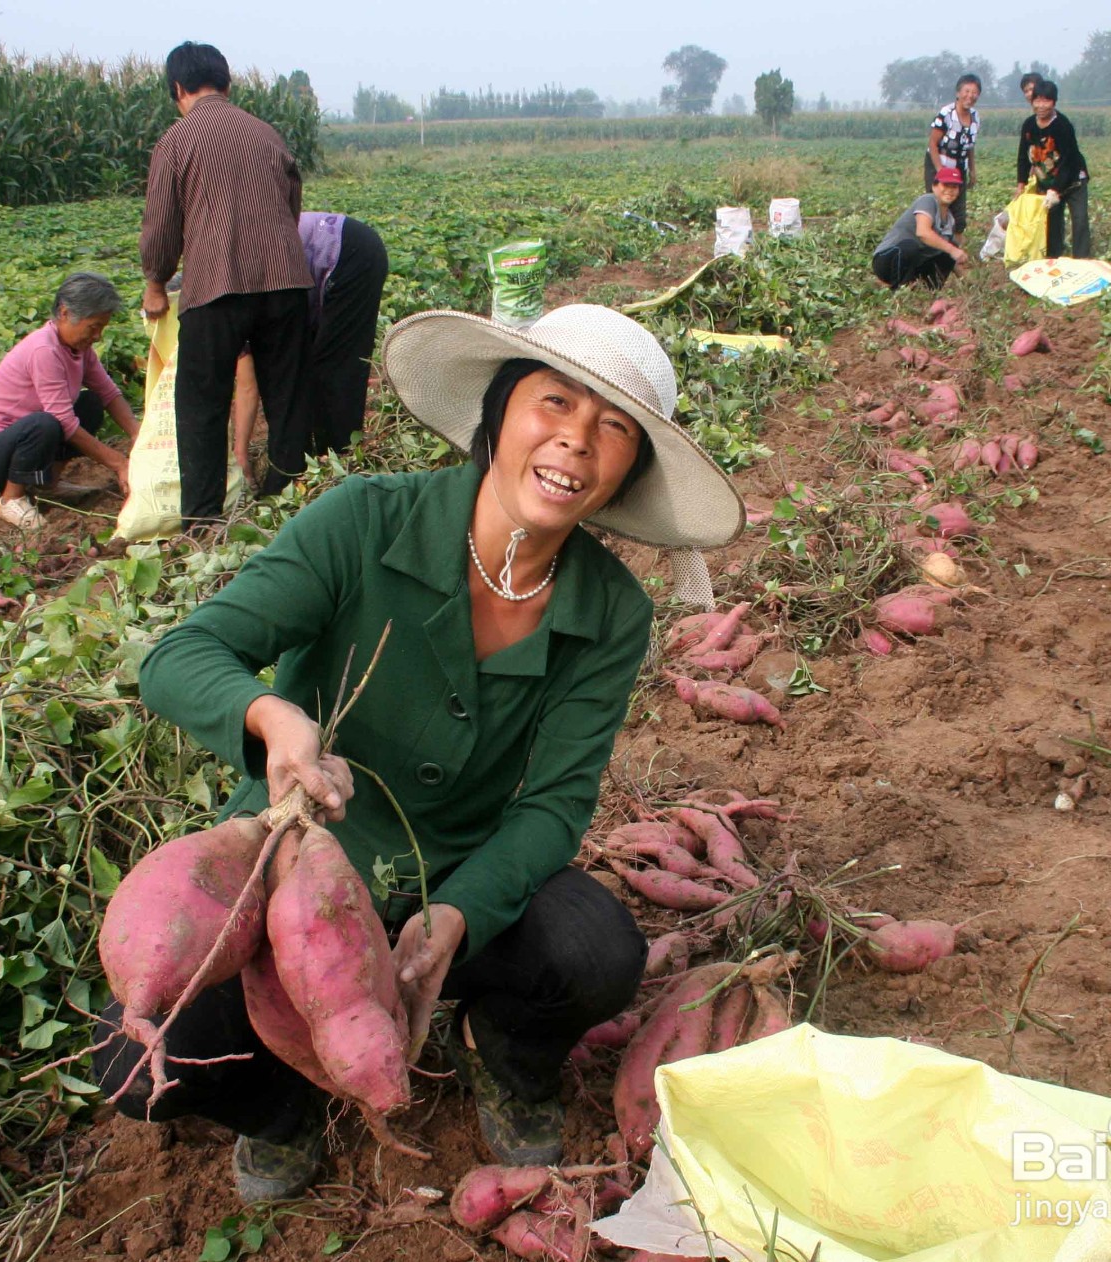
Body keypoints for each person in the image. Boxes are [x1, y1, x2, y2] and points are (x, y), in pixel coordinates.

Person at [93, 304, 744, 1202]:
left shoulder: (610, 611)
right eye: (553, 404)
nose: (576, 443)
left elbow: (554, 805)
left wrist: (458, 918)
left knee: (596, 954)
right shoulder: (363, 523)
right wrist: (272, 718)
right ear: (500, 411)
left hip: (460, 875)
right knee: (135, 1063)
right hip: (293, 874)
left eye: (614, 429)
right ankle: (282, 1113)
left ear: (630, 470)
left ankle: (501, 1052)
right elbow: (179, 658)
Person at [139, 41, 314, 526]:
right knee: (288, 395)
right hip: (285, 283)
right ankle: (286, 502)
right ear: (227, 84)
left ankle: (202, 520)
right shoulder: (266, 134)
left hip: (216, 288)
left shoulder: (177, 141)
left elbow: (161, 226)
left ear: (178, 88)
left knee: (202, 402)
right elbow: (291, 204)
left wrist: (155, 283)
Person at [0, 272, 137, 529]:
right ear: (64, 313)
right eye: (94, 326)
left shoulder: (80, 349)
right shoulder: (44, 349)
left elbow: (108, 392)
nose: (98, 335)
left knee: (91, 405)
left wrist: (137, 434)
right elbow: (63, 421)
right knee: (45, 422)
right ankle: (11, 499)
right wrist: (119, 463)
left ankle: (48, 484)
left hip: (22, 445)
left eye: (103, 327)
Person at [230, 212, 390, 482]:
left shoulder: (231, 301)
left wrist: (240, 452)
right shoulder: (227, 290)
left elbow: (249, 385)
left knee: (334, 369)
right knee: (310, 370)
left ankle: (339, 467)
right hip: (337, 258)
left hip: (349, 252)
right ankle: (318, 462)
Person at [1016, 80, 1092, 259]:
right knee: (1052, 222)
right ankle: (1053, 258)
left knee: (1079, 220)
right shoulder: (1029, 125)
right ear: (1032, 102)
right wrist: (1021, 183)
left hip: (1074, 180)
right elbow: (1023, 156)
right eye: (1037, 101)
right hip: (1047, 180)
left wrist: (1056, 190)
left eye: (1046, 101)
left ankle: (1082, 259)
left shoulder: (1063, 126)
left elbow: (1069, 161)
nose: (1041, 106)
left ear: (1054, 102)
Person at [872, 167, 968, 291]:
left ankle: (929, 291)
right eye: (945, 185)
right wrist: (952, 250)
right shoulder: (928, 200)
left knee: (947, 253)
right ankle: (896, 289)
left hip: (914, 264)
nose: (950, 190)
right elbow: (923, 233)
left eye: (954, 187)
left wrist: (967, 279)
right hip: (888, 260)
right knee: (910, 246)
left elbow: (950, 253)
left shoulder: (950, 220)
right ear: (934, 186)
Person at [925, 74, 981, 235]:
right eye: (966, 91)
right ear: (958, 93)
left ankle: (956, 251)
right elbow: (932, 144)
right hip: (938, 163)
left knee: (959, 212)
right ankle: (934, 243)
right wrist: (940, 171)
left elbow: (970, 145)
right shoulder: (946, 114)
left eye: (974, 92)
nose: (970, 96)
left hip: (959, 167)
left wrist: (972, 170)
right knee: (937, 204)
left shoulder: (975, 117)